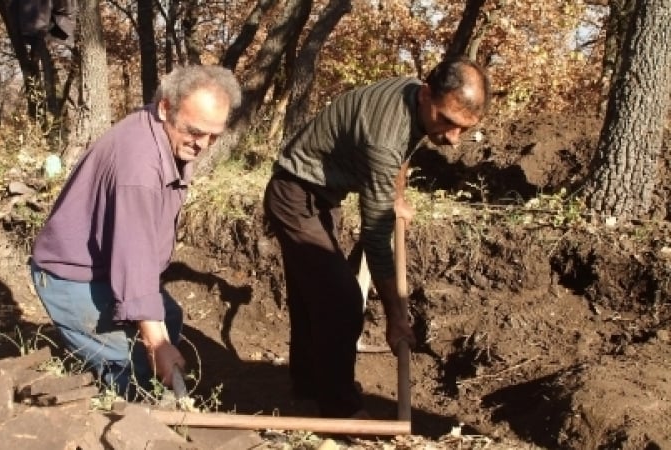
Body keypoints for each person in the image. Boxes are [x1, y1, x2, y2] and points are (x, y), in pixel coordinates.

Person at [263, 56, 491, 418]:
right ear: (427, 94)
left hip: (321, 197)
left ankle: (309, 389)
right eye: (447, 122)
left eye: (464, 128)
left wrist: (396, 197)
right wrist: (397, 316)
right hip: (294, 196)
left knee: (314, 296)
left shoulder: (411, 95)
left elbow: (403, 148)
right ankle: (340, 410)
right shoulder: (384, 139)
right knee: (341, 300)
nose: (452, 138)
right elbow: (375, 234)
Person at [30, 65, 241, 399]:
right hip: (72, 276)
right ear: (166, 107)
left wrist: (156, 332)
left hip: (105, 265)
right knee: (131, 359)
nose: (204, 144)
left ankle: (152, 390)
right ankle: (126, 413)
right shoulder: (139, 166)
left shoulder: (165, 134)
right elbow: (133, 254)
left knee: (168, 316)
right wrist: (154, 343)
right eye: (196, 131)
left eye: (213, 135)